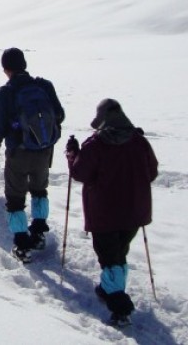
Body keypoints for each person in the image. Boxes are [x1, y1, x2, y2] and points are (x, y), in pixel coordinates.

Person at [66, 98, 158, 327]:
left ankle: (120, 306)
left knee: (109, 257)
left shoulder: (96, 144)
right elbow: (152, 171)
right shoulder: (139, 142)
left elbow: (80, 173)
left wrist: (72, 156)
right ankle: (109, 288)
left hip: (104, 212)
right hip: (134, 211)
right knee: (118, 252)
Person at [0, 47, 65, 263]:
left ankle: (22, 244)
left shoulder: (6, 93)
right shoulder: (44, 86)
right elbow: (59, 114)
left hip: (18, 153)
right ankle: (39, 233)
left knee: (15, 198)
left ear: (6, 69)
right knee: (40, 191)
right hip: (43, 150)